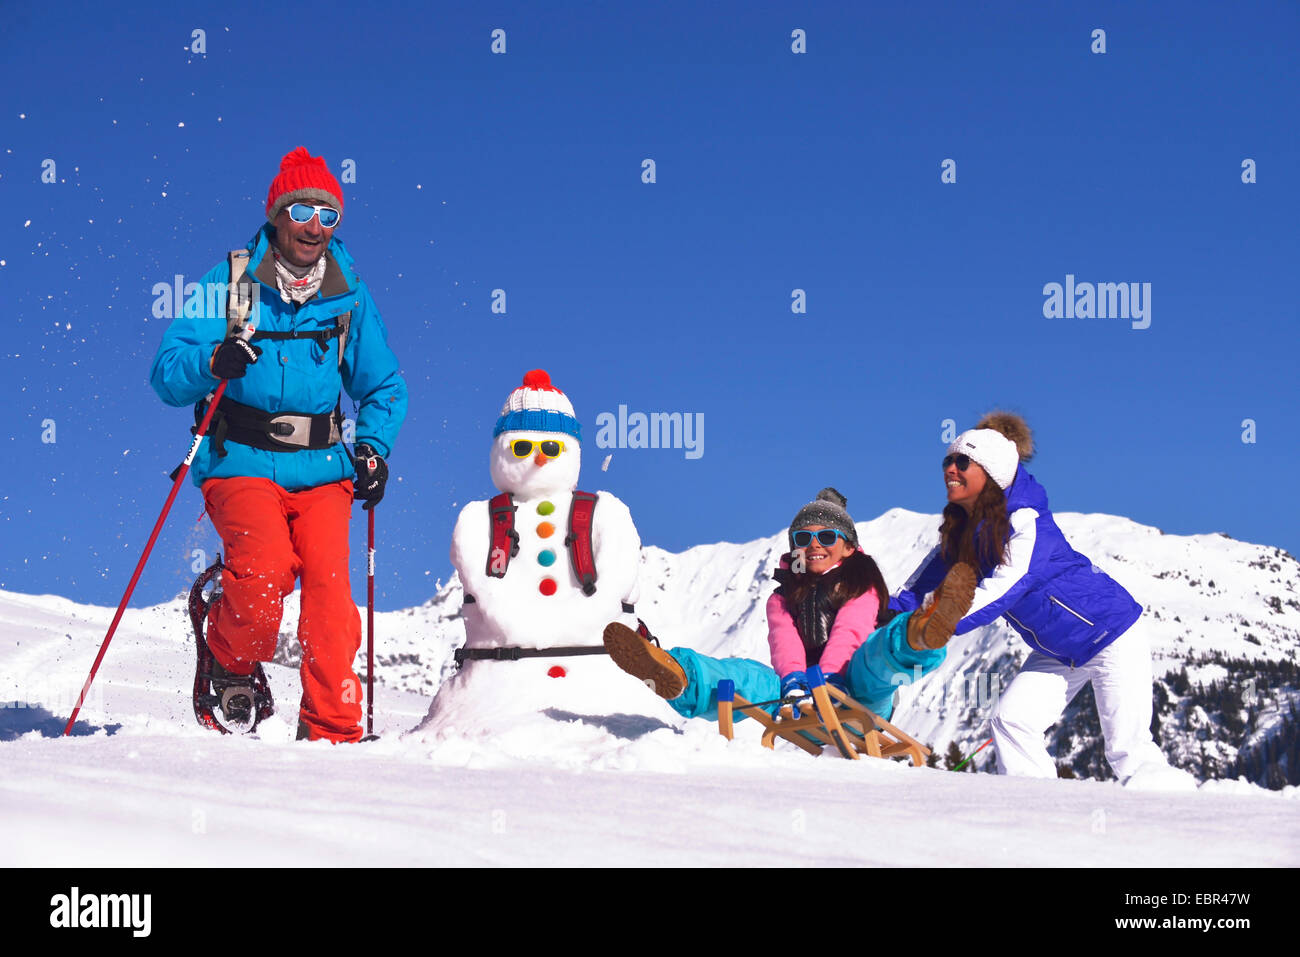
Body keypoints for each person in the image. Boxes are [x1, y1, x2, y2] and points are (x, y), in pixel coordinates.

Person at [150, 146, 408, 742]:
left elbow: (384, 384)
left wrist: (372, 448)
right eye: (303, 212)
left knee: (330, 604)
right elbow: (167, 371)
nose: (315, 227)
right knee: (265, 578)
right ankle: (229, 655)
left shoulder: (350, 295)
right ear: (278, 216)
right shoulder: (233, 282)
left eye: (328, 215)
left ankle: (332, 735)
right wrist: (212, 360)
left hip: (323, 471)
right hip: (239, 462)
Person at [892, 412, 1196, 789]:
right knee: (1013, 721)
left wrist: (941, 619)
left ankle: (1186, 821)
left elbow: (1005, 587)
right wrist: (885, 616)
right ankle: (1036, 814)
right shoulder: (962, 530)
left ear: (991, 472)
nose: (950, 469)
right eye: (948, 461)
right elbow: (920, 586)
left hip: (1111, 633)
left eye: (962, 462)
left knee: (1128, 752)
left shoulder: (1026, 522)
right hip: (1058, 651)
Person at [604, 489, 977, 726]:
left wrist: (829, 680)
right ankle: (676, 672)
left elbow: (850, 632)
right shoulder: (783, 596)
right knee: (747, 676)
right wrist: (796, 683)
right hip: (800, 697)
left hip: (857, 694)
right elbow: (785, 643)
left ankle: (922, 631)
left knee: (875, 657)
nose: (814, 545)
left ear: (849, 547)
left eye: (827, 536)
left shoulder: (861, 586)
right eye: (804, 538)